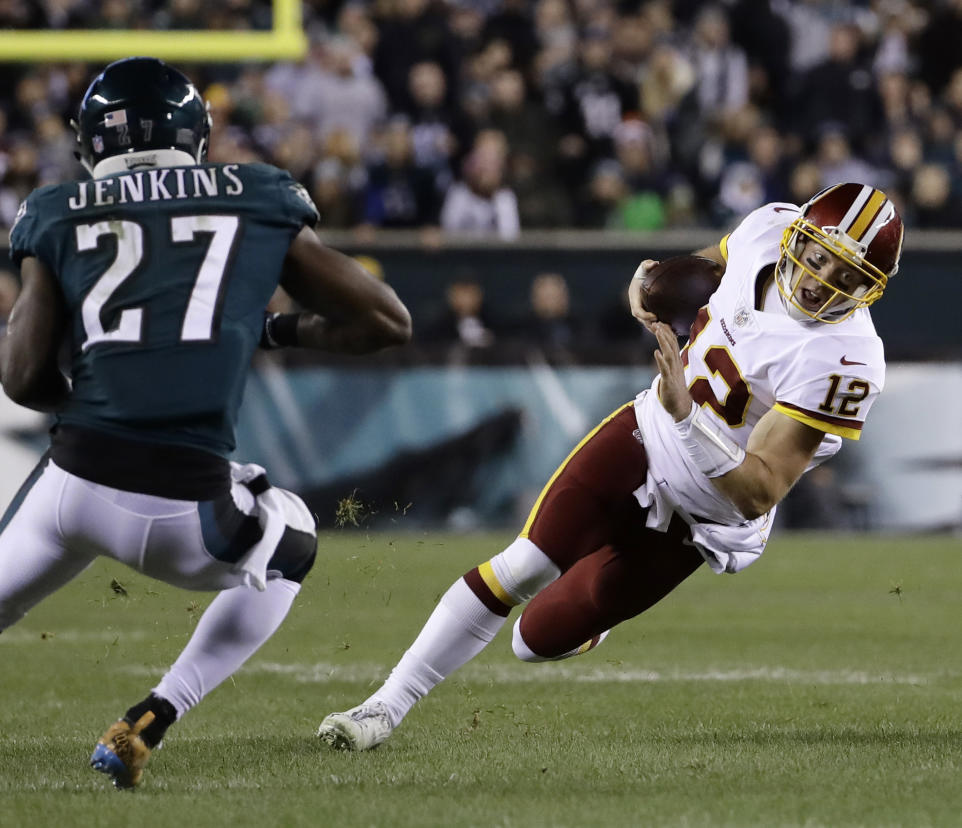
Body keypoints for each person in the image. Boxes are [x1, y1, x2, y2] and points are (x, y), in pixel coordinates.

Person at [0, 57, 411, 792]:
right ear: (194, 135)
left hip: (73, 482)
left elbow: (18, 375)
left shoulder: (58, 209)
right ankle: (156, 714)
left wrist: (94, 401)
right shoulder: (255, 195)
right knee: (291, 536)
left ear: (90, 143)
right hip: (185, 508)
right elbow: (387, 321)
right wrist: (276, 333)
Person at [318, 182, 901, 751]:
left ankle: (592, 620)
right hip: (643, 437)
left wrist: (686, 418)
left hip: (707, 514)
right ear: (795, 235)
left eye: (849, 278)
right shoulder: (765, 229)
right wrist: (649, 291)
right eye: (821, 257)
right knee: (521, 564)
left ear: (870, 292)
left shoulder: (844, 360)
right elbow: (701, 276)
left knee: (532, 640)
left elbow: (758, 490)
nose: (823, 281)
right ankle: (383, 708)